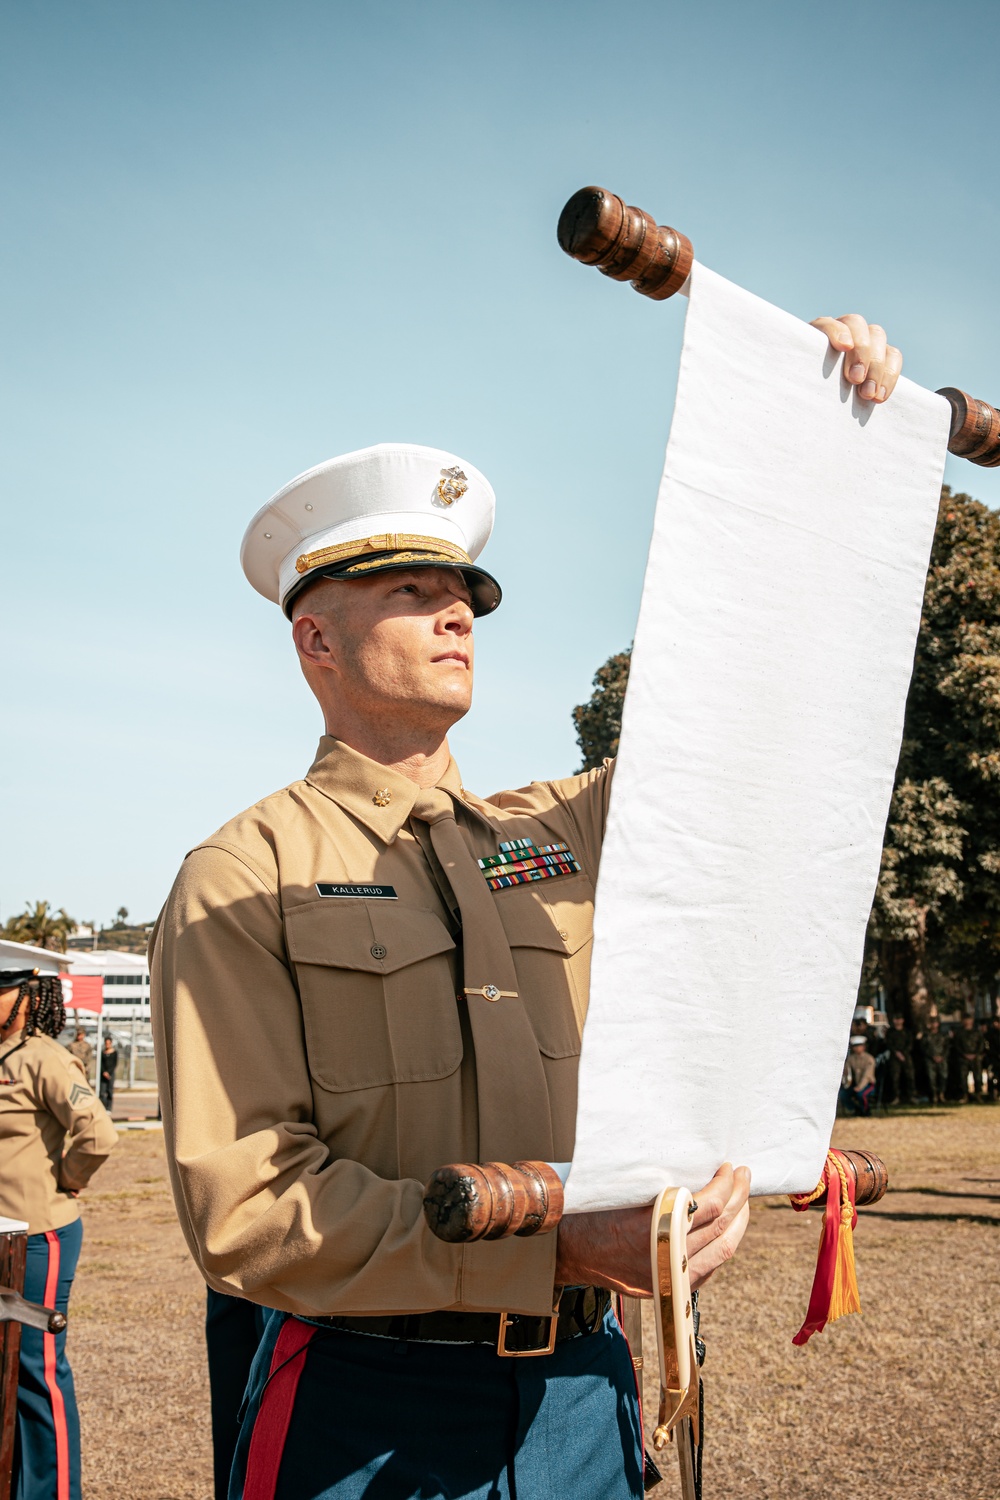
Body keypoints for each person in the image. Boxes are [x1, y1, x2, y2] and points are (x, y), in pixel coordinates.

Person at [151, 315, 900, 1500]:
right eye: (413, 589)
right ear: (315, 638)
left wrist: (805, 442)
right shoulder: (244, 872)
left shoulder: (558, 832)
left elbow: (733, 710)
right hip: (365, 1405)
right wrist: (550, 1246)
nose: (456, 613)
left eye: (464, 594)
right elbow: (249, 1209)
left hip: (582, 1395)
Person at [0, 968, 118, 1500]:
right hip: (2, 1236)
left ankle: (53, 1493)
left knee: (37, 1370)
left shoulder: (43, 1057)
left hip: (38, 1240)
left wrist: (67, 1180)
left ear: (24, 997)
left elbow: (98, 1132)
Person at [918, 1014, 951, 1104]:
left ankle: (941, 1094)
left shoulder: (943, 1035)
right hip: (930, 1059)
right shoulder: (926, 1035)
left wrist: (942, 1056)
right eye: (932, 1023)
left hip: (942, 1059)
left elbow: (947, 1047)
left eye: (935, 1023)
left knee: (943, 1077)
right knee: (931, 1078)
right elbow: (923, 1047)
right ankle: (934, 1095)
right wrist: (932, 1056)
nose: (934, 1025)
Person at [841, 1036, 877, 1116]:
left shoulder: (869, 1059)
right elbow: (847, 1072)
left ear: (864, 1047)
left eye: (859, 1046)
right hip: (855, 1084)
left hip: (868, 1085)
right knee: (843, 1095)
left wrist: (860, 1087)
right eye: (855, 1046)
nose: (857, 1048)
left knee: (862, 1094)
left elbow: (867, 1075)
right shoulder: (851, 1059)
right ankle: (856, 1109)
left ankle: (866, 1110)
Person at [954, 1014, 986, 1102]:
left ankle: (978, 1094)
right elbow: (957, 1045)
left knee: (978, 1077)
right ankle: (965, 1095)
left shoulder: (977, 1032)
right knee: (963, 1077)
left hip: (976, 1058)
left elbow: (981, 1044)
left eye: (969, 1020)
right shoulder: (959, 1032)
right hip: (963, 1058)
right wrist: (964, 1054)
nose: (967, 1022)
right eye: (966, 1020)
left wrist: (976, 1054)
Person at [886, 1013, 916, 1105]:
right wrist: (897, 1053)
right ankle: (896, 1097)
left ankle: (911, 1097)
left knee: (910, 1076)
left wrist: (904, 1054)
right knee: (895, 1078)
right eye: (896, 1019)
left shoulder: (907, 1032)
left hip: (906, 1056)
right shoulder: (890, 1032)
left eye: (899, 1019)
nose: (898, 1021)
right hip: (894, 1057)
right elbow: (889, 1044)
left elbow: (910, 1044)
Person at [98, 1034, 117, 1112]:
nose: (107, 1045)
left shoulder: (114, 1053)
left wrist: (109, 1072)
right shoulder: (102, 1053)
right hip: (103, 1074)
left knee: (109, 1091)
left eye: (109, 1043)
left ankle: (109, 1108)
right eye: (106, 1043)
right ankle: (103, 1106)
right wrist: (104, 1072)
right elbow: (100, 1063)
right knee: (102, 1092)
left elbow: (114, 1064)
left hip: (110, 1074)